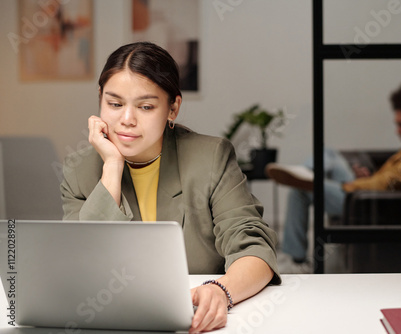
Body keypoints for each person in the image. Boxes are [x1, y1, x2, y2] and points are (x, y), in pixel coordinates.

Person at [60, 41, 280, 332]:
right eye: (114, 104)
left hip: (195, 321)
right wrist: (112, 166)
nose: (126, 120)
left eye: (146, 106)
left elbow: (255, 248)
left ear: (172, 108)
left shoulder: (210, 158)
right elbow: (82, 265)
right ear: (100, 99)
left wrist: (220, 290)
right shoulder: (79, 170)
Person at [266, 83, 401, 266]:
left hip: (371, 202)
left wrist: (353, 185)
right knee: (328, 153)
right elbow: (392, 179)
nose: (397, 131)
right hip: (368, 191)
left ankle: (296, 261)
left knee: (299, 191)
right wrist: (368, 177)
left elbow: (388, 184)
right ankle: (306, 172)